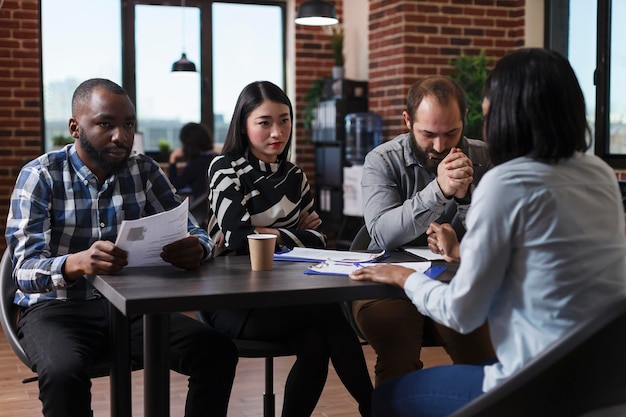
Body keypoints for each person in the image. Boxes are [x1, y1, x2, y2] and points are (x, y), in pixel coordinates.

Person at [349, 48, 626, 417]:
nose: (441, 145)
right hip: (607, 383)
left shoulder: (502, 179)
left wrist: (403, 277)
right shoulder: (601, 174)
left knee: (386, 399)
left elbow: (463, 311)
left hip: (534, 387)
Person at [4, 78, 238, 417]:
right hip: (58, 309)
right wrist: (75, 263)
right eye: (106, 124)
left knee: (217, 351)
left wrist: (197, 249)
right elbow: (23, 270)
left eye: (128, 124)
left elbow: (197, 233)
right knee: (62, 374)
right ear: (74, 127)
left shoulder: (144, 170)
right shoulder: (41, 175)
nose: (121, 136)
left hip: (134, 308)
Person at [204, 80, 373, 417]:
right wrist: (290, 232)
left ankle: (372, 407)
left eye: (284, 120)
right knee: (327, 313)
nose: (276, 131)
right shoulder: (225, 168)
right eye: (264, 122)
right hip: (231, 300)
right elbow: (239, 241)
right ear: (243, 125)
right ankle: (375, 407)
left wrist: (269, 233)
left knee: (314, 344)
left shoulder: (294, 176)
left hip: (281, 295)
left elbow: (319, 240)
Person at [353, 76, 496, 387]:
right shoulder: (382, 160)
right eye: (428, 134)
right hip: (385, 284)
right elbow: (382, 234)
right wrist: (440, 191)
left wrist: (465, 198)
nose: (440, 146)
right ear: (407, 120)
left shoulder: (486, 158)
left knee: (482, 357)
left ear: (465, 118)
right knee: (398, 352)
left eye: (451, 134)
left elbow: (494, 240)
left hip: (458, 281)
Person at [168, 122, 217, 228]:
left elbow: (173, 186)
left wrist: (172, 160)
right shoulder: (216, 158)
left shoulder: (196, 164)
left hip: (199, 218)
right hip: (215, 216)